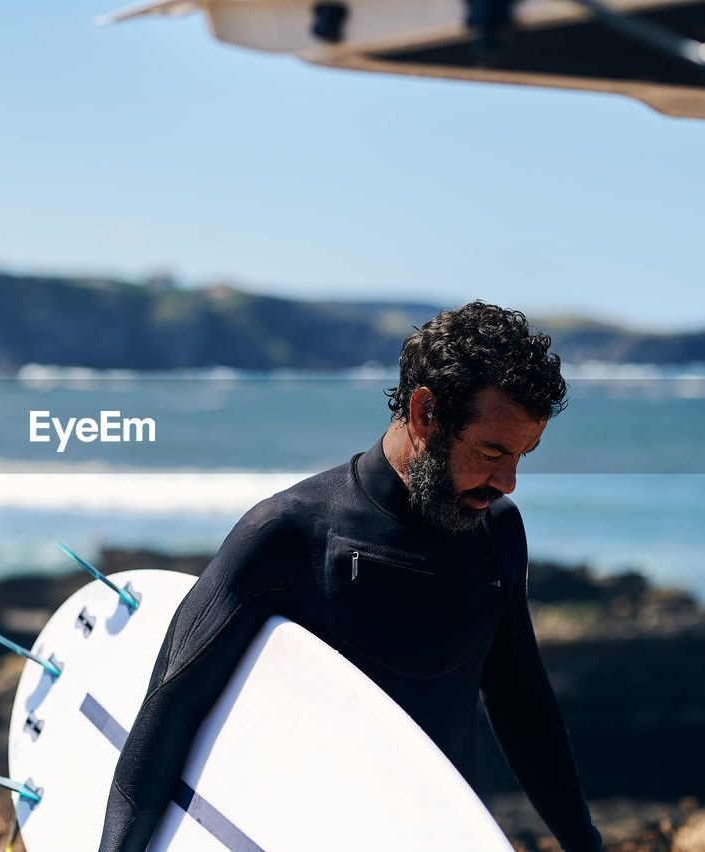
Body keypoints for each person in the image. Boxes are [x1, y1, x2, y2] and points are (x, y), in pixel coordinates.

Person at [99, 301, 603, 852]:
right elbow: (169, 713)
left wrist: (586, 845)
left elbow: (523, 704)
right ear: (424, 414)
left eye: (522, 456)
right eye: (490, 451)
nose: (506, 481)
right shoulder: (288, 532)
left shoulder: (497, 533)